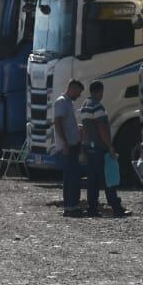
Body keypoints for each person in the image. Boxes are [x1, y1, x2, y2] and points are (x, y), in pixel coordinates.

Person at [79, 81, 130, 218]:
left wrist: (84, 148)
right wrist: (110, 146)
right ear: (101, 91)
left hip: (90, 148)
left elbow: (84, 130)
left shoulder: (84, 107)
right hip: (100, 149)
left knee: (93, 181)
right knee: (109, 178)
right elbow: (102, 130)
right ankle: (116, 207)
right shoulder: (97, 106)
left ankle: (92, 208)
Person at [51, 79, 84, 218]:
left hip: (73, 144)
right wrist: (64, 142)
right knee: (71, 177)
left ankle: (73, 205)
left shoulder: (68, 103)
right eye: (78, 92)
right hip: (68, 146)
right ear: (73, 89)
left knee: (73, 176)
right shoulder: (61, 102)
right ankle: (70, 207)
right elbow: (57, 122)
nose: (79, 96)